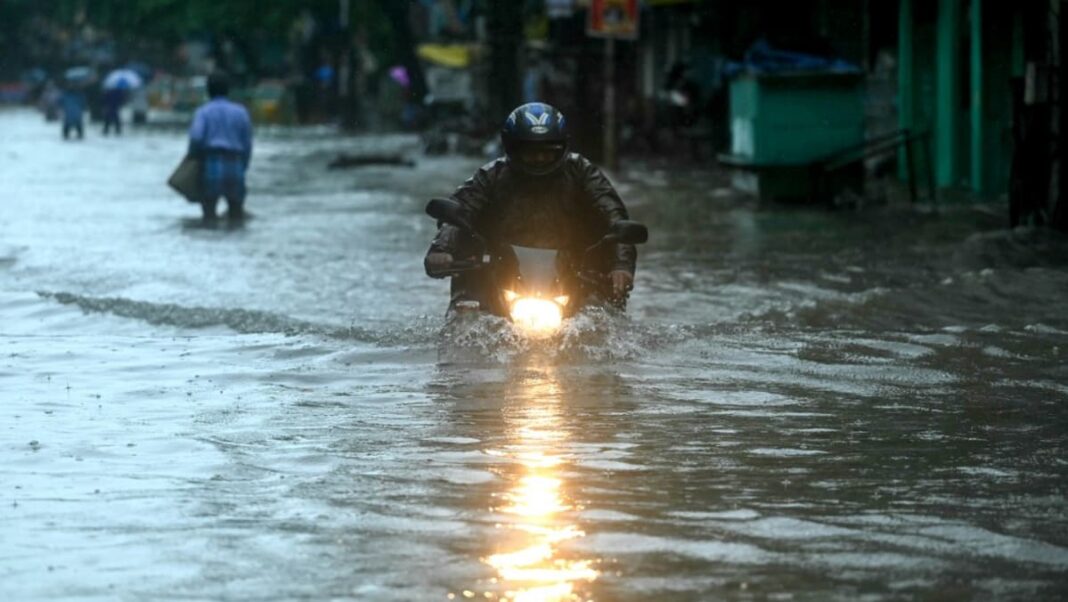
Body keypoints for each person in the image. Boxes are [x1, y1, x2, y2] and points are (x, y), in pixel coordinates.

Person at [424, 101, 636, 312]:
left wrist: (621, 266)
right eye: (531, 152)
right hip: (497, 273)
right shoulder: (490, 175)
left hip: (573, 274)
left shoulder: (583, 172)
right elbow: (460, 211)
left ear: (562, 147)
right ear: (511, 148)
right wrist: (441, 250)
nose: (540, 159)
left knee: (602, 318)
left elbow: (615, 219)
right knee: (465, 316)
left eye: (547, 152)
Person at [188, 72, 253, 225]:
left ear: (208, 90)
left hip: (211, 163)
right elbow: (247, 143)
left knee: (209, 214)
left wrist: (192, 157)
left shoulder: (203, 112)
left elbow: (196, 137)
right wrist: (244, 165)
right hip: (235, 164)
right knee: (236, 214)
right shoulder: (241, 112)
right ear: (228, 90)